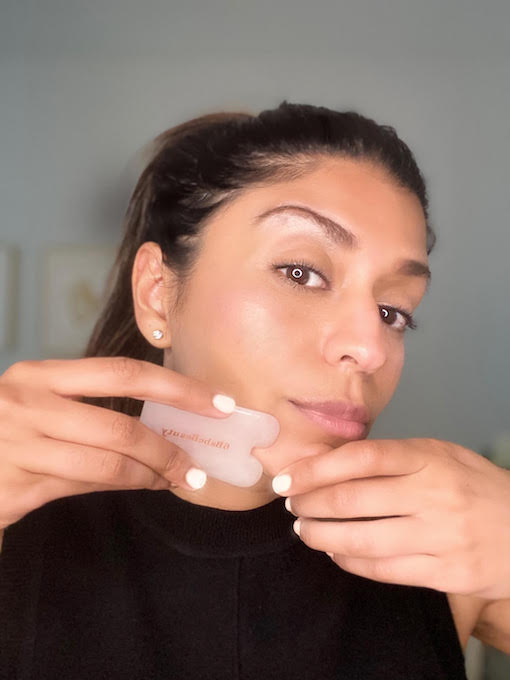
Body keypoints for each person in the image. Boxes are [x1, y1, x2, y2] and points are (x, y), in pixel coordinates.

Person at [1, 101, 509, 679]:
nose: (369, 348)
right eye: (302, 273)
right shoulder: (18, 538)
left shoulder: (446, 560)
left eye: (394, 310)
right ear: (157, 293)